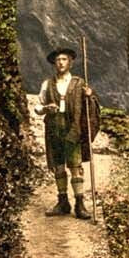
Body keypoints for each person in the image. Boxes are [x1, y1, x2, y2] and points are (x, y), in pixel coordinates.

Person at [35, 45, 101, 219]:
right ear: (53, 64)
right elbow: (37, 106)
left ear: (70, 63)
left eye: (64, 59)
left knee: (76, 166)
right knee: (58, 166)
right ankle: (63, 202)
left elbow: (92, 105)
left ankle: (80, 204)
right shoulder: (47, 84)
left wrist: (90, 96)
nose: (60, 63)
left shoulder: (79, 83)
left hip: (73, 129)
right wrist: (45, 109)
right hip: (54, 128)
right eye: (57, 60)